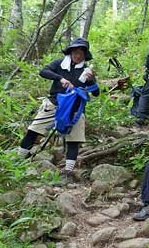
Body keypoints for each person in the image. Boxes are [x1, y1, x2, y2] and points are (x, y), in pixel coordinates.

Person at [17, 37, 99, 180]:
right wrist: (60, 79)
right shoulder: (59, 64)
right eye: (75, 51)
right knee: (33, 131)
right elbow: (43, 72)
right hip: (54, 103)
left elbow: (96, 93)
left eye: (81, 53)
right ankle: (18, 161)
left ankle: (67, 172)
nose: (78, 55)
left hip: (75, 109)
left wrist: (91, 80)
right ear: (71, 51)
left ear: (85, 55)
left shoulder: (87, 71)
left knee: (73, 140)